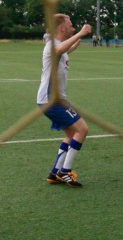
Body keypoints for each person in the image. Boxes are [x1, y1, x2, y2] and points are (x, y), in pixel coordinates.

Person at [37, 14, 92, 188]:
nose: (73, 28)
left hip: (54, 100)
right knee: (82, 129)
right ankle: (65, 171)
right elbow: (60, 50)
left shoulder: (58, 45)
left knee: (71, 135)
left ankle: (55, 173)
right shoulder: (52, 45)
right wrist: (81, 33)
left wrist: (75, 42)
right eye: (70, 25)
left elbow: (65, 51)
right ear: (61, 28)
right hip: (52, 100)